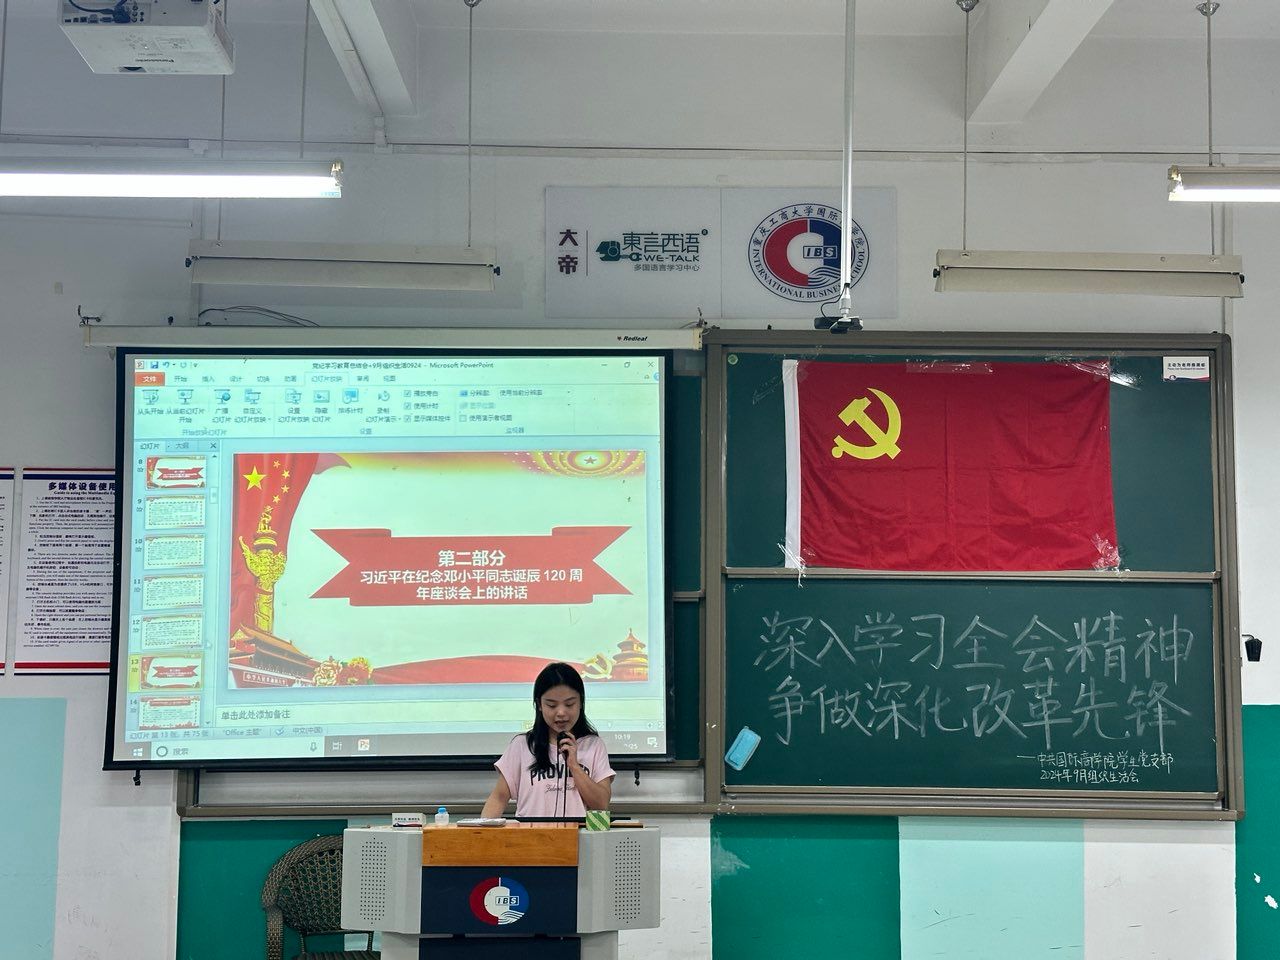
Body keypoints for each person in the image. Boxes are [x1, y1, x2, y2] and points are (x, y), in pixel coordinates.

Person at [481, 661, 615, 818]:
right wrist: (481, 831)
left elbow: (601, 805)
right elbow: (498, 798)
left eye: (569, 704)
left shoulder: (593, 745)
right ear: (539, 705)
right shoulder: (522, 746)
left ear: (581, 703)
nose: (561, 713)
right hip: (532, 833)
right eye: (552, 705)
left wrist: (574, 765)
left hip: (577, 834)